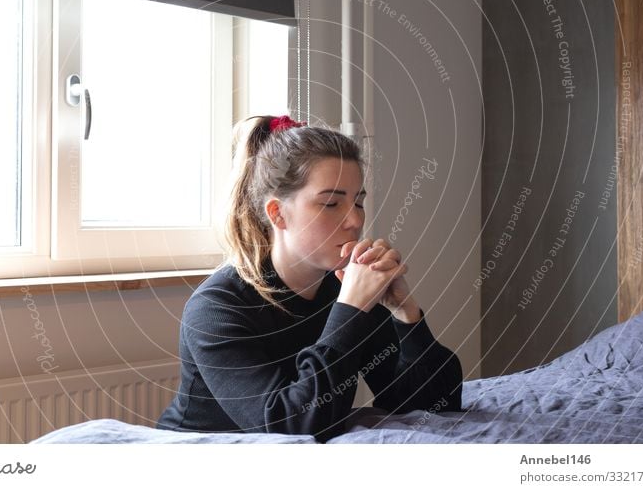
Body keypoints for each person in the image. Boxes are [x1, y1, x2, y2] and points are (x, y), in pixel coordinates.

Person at [156, 114, 462, 442]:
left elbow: (431, 405)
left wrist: (406, 314)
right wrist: (350, 311)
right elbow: (291, 428)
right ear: (278, 213)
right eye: (331, 203)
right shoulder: (216, 308)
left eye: (358, 201)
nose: (355, 219)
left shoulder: (342, 289)